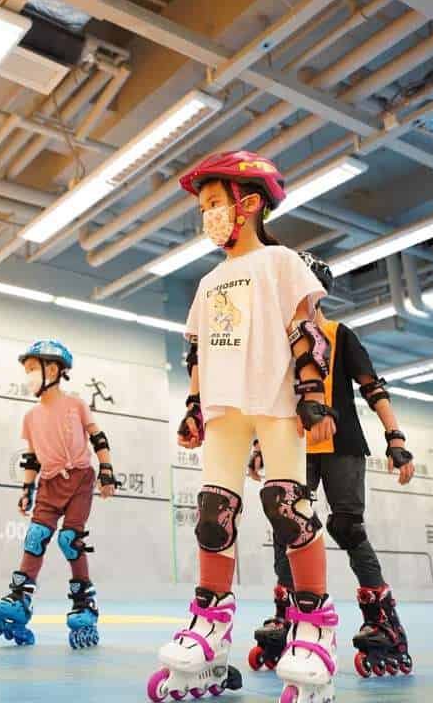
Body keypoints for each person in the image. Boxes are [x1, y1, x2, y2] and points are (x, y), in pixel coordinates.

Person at [147, 151, 336, 703]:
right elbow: (198, 350)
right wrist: (192, 405)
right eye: (203, 207)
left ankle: (313, 625)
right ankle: (210, 625)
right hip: (225, 408)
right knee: (213, 511)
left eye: (213, 203)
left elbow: (308, 330)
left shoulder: (280, 263)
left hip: (275, 400)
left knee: (287, 505)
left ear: (247, 204)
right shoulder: (209, 281)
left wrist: (311, 396)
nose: (206, 215)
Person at [246, 252, 416, 679]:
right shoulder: (281, 342)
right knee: (288, 529)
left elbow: (372, 388)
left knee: (346, 527)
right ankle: (290, 614)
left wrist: (395, 438)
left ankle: (383, 621)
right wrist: (257, 446)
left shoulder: (340, 335)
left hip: (342, 446)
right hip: (293, 448)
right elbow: (273, 401)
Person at [0, 340, 120, 649]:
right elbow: (31, 458)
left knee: (69, 539)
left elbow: (98, 438)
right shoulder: (31, 417)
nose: (28, 375)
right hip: (48, 482)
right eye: (27, 369)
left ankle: (85, 603)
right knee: (35, 536)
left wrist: (107, 471)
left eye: (33, 368)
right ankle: (20, 599)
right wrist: (26, 489)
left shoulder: (75, 404)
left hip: (81, 479)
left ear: (54, 369)